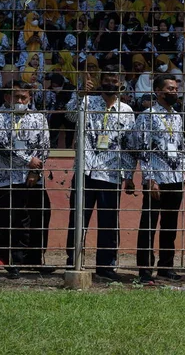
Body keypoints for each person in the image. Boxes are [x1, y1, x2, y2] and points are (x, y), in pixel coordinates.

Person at [0, 81, 52, 279]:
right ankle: (10, 260)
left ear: (29, 98)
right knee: (6, 219)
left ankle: (33, 260)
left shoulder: (38, 118)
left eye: (23, 97)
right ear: (7, 97)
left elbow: (45, 146)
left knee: (38, 216)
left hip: (31, 178)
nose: (19, 101)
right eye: (15, 97)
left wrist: (37, 170)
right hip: (2, 176)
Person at [64, 65, 136, 282]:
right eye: (107, 80)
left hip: (111, 174)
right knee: (77, 219)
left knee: (109, 222)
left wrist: (129, 175)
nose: (111, 84)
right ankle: (73, 261)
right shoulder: (86, 102)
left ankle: (106, 266)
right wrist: (79, 93)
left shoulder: (127, 111)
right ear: (99, 81)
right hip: (85, 170)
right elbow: (68, 116)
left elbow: (128, 146)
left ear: (121, 84)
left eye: (115, 81)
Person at [132, 73, 185, 283]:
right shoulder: (147, 116)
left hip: (174, 178)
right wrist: (149, 178)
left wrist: (183, 172)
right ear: (158, 91)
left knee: (170, 225)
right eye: (170, 89)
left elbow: (181, 147)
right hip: (155, 180)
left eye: (175, 89)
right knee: (148, 225)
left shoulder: (177, 116)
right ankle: (145, 270)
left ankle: (166, 267)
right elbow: (143, 149)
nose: (174, 92)